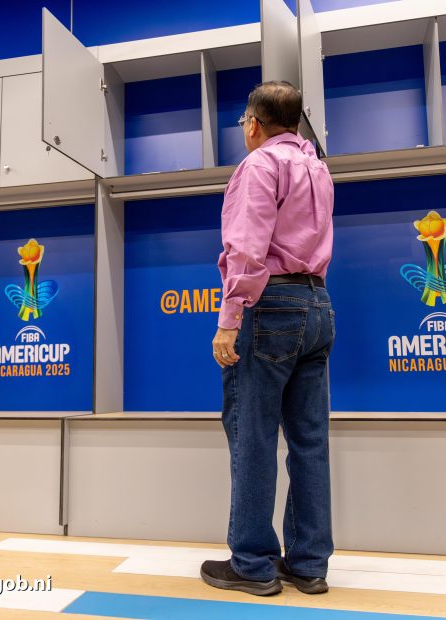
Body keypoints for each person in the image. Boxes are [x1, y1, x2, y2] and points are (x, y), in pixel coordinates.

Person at [200, 81, 335, 597]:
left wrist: (229, 318)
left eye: (243, 123)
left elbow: (247, 248)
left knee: (252, 434)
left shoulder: (258, 165)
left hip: (271, 305)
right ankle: (308, 564)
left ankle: (253, 563)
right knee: (309, 440)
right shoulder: (318, 168)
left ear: (254, 124)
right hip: (318, 303)